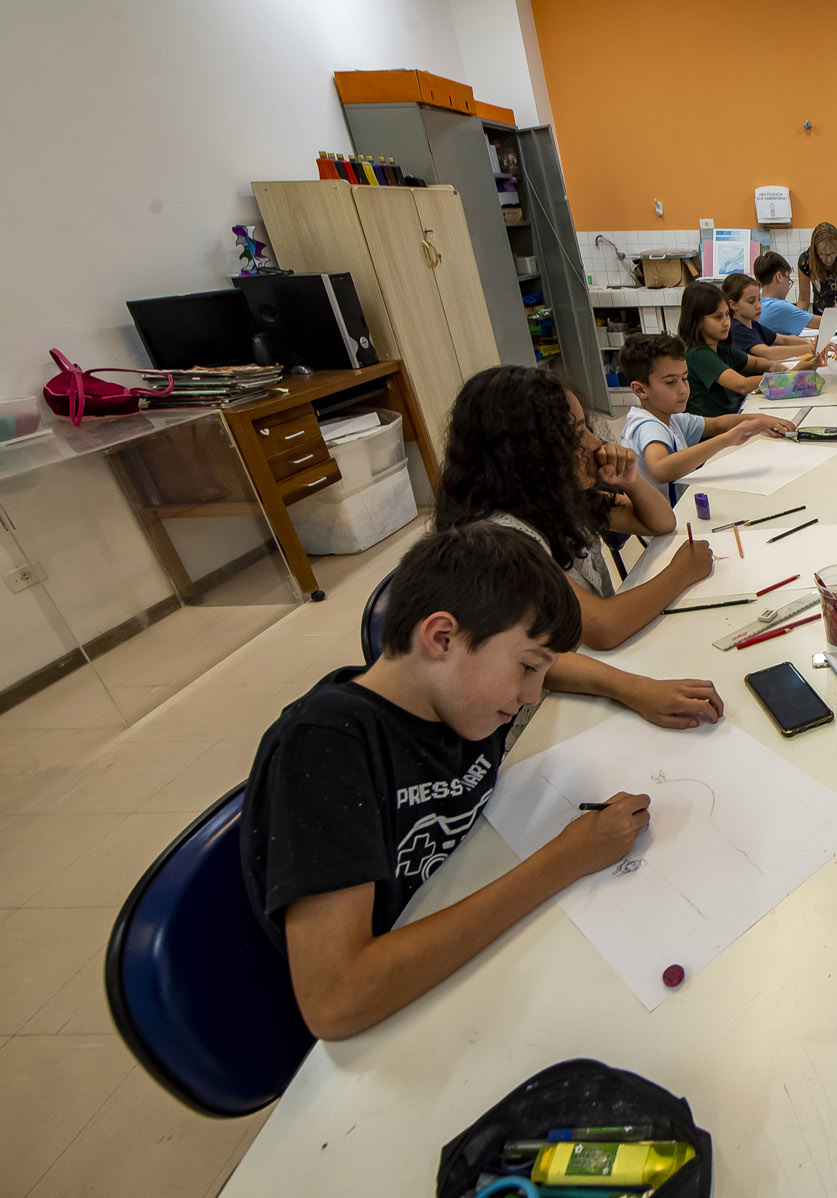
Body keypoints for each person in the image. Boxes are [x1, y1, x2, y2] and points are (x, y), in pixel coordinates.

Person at [241, 524, 654, 1039]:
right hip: (390, 1022)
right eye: (527, 668)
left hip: (460, 933)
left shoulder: (457, 697)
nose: (531, 695)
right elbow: (336, 1000)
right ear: (441, 638)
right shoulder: (328, 745)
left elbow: (545, 662)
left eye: (539, 672)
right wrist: (564, 860)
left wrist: (634, 689)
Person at [435, 367, 726, 731]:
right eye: (574, 435)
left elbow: (660, 522)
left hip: (594, 671)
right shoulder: (499, 538)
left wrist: (630, 481)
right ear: (524, 453)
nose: (594, 444)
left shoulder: (552, 497)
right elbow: (602, 628)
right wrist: (682, 570)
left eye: (586, 427)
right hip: (539, 713)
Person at [619, 332, 794, 503]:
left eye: (685, 378)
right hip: (666, 525)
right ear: (641, 390)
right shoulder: (648, 426)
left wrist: (761, 420)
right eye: (670, 382)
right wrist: (727, 439)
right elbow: (660, 469)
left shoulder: (670, 418)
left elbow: (717, 424)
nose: (682, 389)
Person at [681, 282, 779, 418]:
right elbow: (742, 385)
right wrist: (784, 378)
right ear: (697, 321)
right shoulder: (698, 354)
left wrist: (777, 367)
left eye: (727, 314)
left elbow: (756, 363)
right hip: (714, 431)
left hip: (730, 420)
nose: (726, 322)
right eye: (718, 317)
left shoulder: (720, 348)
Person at [722, 273, 817, 364]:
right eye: (751, 301)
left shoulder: (752, 324)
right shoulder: (736, 328)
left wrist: (813, 343)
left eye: (759, 299)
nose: (758, 306)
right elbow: (767, 352)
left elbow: (781, 339)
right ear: (733, 305)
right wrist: (810, 347)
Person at [753, 251, 821, 336]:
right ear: (779, 277)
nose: (788, 289)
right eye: (788, 279)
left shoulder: (758, 304)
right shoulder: (779, 307)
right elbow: (821, 323)